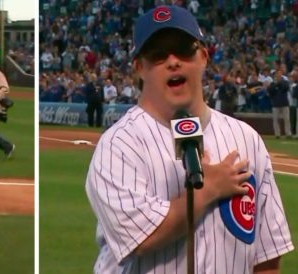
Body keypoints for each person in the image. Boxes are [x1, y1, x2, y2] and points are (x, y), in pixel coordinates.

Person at [85, 5, 294, 274]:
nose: (173, 61)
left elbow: (267, 256)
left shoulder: (246, 139)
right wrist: (206, 191)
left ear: (204, 57)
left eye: (183, 50)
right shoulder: (120, 146)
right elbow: (140, 237)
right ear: (139, 67)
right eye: (158, 55)